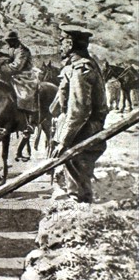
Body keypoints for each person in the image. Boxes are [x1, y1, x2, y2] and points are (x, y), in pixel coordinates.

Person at [50, 24, 108, 204]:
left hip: (81, 135)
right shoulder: (79, 67)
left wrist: (64, 141)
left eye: (62, 42)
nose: (60, 46)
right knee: (73, 184)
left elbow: (79, 110)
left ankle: (77, 220)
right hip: (80, 132)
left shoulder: (81, 70)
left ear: (70, 43)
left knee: (77, 190)